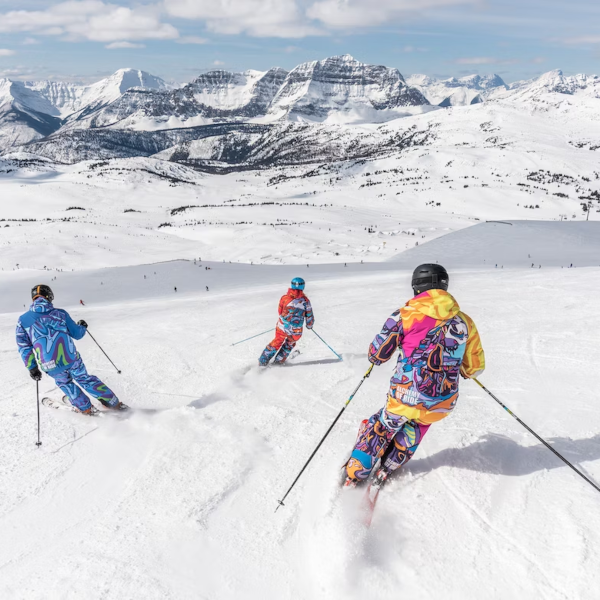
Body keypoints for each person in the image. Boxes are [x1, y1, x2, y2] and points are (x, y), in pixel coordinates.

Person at [344, 264, 485, 488]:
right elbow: (474, 366)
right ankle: (388, 466)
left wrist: (374, 359)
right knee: (417, 426)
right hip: (442, 400)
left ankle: (357, 471)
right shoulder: (464, 321)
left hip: (405, 394)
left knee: (382, 425)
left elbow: (378, 353)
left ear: (417, 287)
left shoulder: (404, 315)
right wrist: (464, 369)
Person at [16, 285, 127, 415]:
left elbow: (24, 346)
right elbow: (77, 334)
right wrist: (82, 326)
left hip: (49, 364)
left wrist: (32, 367)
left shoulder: (23, 320)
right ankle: (113, 403)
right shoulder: (60, 314)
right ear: (49, 296)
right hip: (71, 358)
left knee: (65, 383)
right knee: (84, 379)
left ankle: (85, 407)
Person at [259, 277, 315, 366]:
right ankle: (279, 361)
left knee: (277, 341)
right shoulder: (305, 301)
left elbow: (280, 311)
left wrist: (284, 320)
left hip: (282, 326)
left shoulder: (284, 298)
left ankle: (263, 360)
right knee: (290, 343)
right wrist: (309, 325)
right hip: (295, 331)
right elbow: (309, 315)